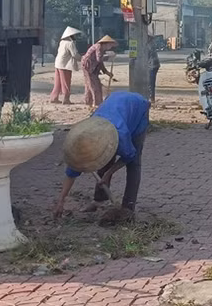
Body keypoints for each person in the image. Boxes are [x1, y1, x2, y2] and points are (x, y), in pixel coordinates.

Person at [54, 91, 151, 225]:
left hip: (138, 108)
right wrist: (61, 201)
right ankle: (99, 200)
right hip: (114, 104)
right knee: (103, 160)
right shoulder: (82, 141)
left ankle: (128, 208)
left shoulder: (121, 135)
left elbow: (130, 155)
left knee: (134, 165)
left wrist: (108, 173)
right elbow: (71, 173)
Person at [81, 35, 118, 107]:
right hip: (88, 66)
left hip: (92, 67)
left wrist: (106, 72)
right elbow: (99, 59)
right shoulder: (99, 47)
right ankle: (97, 103)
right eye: (110, 45)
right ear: (106, 43)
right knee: (95, 85)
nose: (110, 47)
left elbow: (100, 63)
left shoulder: (101, 48)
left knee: (89, 84)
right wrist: (109, 57)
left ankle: (88, 101)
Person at [50, 26, 82, 104]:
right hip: (65, 65)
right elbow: (75, 54)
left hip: (58, 63)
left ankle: (54, 97)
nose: (75, 37)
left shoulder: (62, 42)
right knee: (66, 82)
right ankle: (66, 99)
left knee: (58, 83)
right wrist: (83, 59)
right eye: (74, 35)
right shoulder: (70, 43)